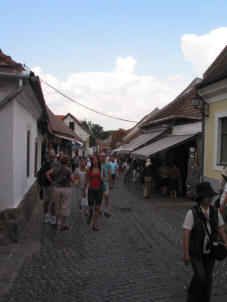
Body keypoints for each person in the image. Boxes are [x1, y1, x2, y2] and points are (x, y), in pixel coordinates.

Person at [183, 182, 227, 302]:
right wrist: (186, 253)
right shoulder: (192, 213)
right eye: (207, 195)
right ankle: (192, 296)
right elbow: (186, 233)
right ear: (200, 197)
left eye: (210, 196)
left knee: (207, 279)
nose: (209, 198)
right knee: (200, 276)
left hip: (210, 251)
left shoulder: (214, 212)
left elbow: (220, 228)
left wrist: (226, 242)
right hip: (195, 251)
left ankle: (205, 299)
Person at [46, 154, 77, 230]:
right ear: (68, 161)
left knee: (57, 205)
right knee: (65, 206)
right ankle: (63, 224)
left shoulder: (56, 168)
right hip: (66, 189)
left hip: (57, 188)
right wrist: (76, 180)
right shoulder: (68, 169)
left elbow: (47, 174)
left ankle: (56, 222)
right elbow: (73, 180)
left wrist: (52, 182)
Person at [83, 155, 105, 231]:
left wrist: (103, 179)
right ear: (92, 161)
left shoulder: (101, 169)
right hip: (91, 190)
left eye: (96, 159)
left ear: (98, 160)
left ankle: (94, 224)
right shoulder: (89, 169)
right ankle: (90, 215)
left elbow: (105, 177)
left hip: (99, 190)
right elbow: (86, 180)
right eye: (94, 159)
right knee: (91, 208)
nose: (95, 160)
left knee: (97, 208)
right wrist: (84, 190)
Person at [38, 150, 59, 224]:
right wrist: (52, 181)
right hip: (51, 185)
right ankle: (53, 218)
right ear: (51, 156)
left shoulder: (44, 163)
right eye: (54, 154)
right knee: (53, 202)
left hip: (44, 185)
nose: (55, 155)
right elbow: (50, 174)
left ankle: (46, 217)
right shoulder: (55, 164)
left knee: (46, 201)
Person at [100, 152, 112, 217]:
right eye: (101, 156)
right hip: (98, 183)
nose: (103, 157)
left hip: (106, 182)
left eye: (104, 156)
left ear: (105, 157)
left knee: (106, 196)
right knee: (99, 197)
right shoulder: (98, 164)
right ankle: (99, 209)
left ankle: (106, 210)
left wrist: (110, 183)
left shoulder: (108, 164)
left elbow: (110, 174)